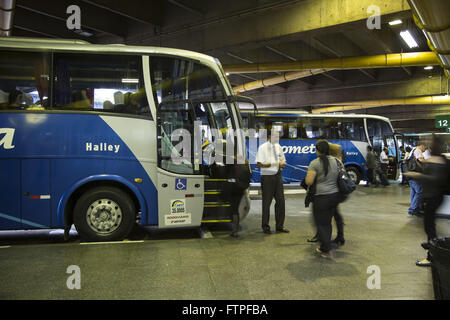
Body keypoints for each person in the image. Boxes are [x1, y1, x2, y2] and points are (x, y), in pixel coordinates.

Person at [404, 135, 448, 266]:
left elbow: (434, 179)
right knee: (430, 226)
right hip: (434, 197)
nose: (425, 144)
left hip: (434, 197)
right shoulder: (440, 159)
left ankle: (431, 256)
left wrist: (417, 175)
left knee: (430, 227)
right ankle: (432, 246)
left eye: (428, 142)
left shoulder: (437, 160)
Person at [305, 139, 341, 258]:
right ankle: (325, 247)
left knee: (320, 223)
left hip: (321, 197)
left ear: (318, 151)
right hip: (334, 196)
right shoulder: (336, 161)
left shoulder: (314, 163)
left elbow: (309, 181)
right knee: (327, 223)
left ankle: (326, 248)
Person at [256, 128, 289, 234]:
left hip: (278, 176)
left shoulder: (279, 147)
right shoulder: (262, 148)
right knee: (266, 203)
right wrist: (274, 164)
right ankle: (265, 226)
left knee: (281, 202)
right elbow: (259, 164)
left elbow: (283, 161)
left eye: (278, 136)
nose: (277, 138)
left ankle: (280, 226)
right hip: (267, 177)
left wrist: (282, 164)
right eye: (275, 136)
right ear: (269, 137)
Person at [407, 144, 426, 216]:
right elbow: (421, 160)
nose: (425, 150)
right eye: (425, 148)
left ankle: (414, 208)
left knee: (414, 191)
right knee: (420, 192)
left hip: (411, 175)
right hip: (416, 175)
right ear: (422, 146)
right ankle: (413, 209)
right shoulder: (418, 150)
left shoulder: (412, 150)